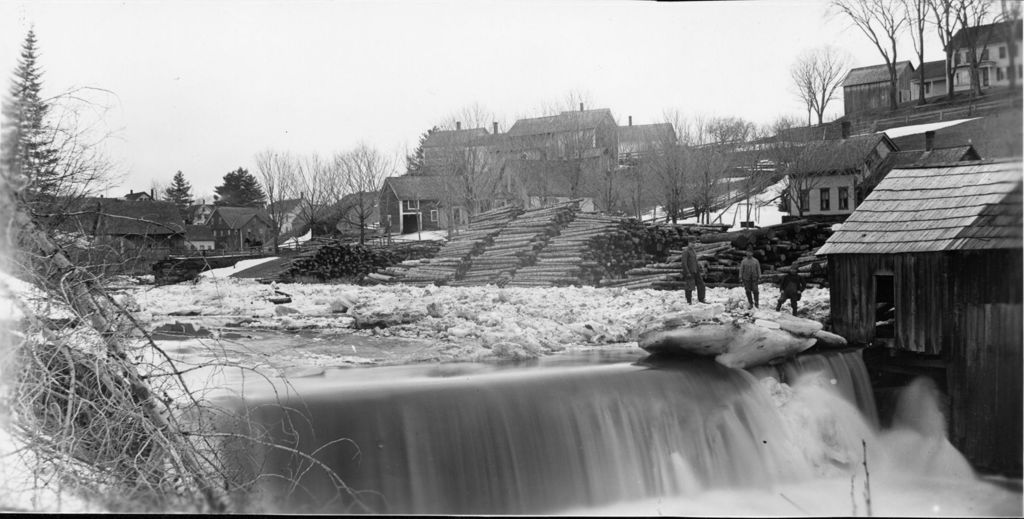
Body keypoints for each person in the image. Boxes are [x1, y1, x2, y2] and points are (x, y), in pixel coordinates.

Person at [680, 238, 706, 304]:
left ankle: (701, 299)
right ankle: (689, 301)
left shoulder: (693, 251)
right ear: (689, 243)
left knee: (701, 285)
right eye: (692, 243)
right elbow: (684, 263)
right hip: (690, 271)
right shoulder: (686, 251)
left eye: (694, 243)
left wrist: (699, 269)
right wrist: (687, 272)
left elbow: (695, 261)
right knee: (689, 287)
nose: (693, 244)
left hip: (696, 271)